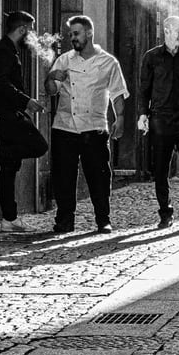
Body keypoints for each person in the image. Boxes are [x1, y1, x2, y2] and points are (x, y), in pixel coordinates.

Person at [44, 14, 128, 234]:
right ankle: (64, 220)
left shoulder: (108, 61)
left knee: (99, 175)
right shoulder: (65, 60)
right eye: (71, 34)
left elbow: (117, 93)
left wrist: (120, 118)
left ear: (89, 33)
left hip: (94, 126)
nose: (73, 38)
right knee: (64, 177)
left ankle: (103, 219)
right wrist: (51, 77)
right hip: (65, 126)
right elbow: (52, 90)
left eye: (76, 33)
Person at [0, 11, 48, 234]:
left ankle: (9, 219)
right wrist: (26, 101)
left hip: (5, 114)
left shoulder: (7, 50)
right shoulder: (3, 52)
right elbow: (0, 84)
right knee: (39, 146)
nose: (32, 36)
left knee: (11, 167)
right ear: (22, 30)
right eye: (30, 30)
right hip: (5, 115)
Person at [138, 15, 179, 230]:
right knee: (160, 168)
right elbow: (144, 89)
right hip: (160, 118)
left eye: (178, 31)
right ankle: (165, 213)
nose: (174, 34)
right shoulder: (151, 57)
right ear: (165, 32)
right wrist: (143, 115)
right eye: (169, 30)